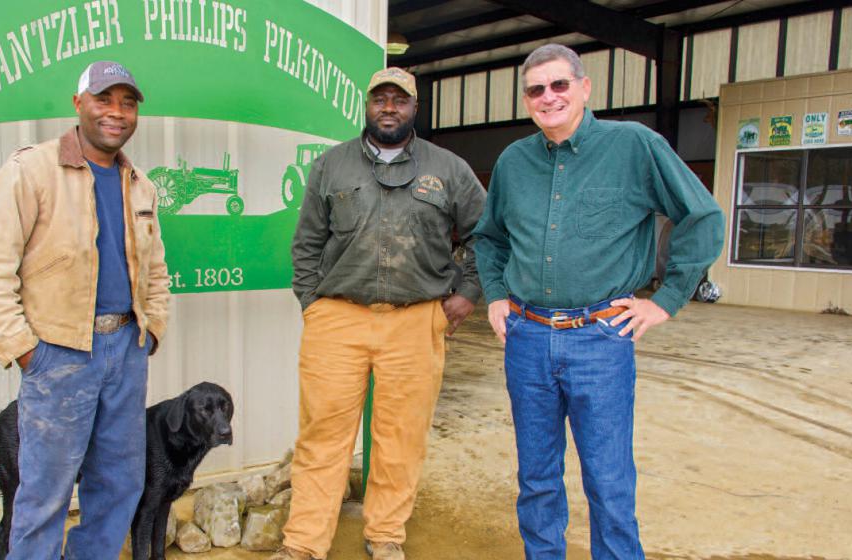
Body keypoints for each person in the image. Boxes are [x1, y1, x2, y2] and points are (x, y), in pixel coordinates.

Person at [472, 44, 724, 559]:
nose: (549, 97)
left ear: (585, 88)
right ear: (527, 100)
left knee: (608, 481)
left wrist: (667, 299)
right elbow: (490, 237)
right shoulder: (514, 162)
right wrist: (496, 296)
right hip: (527, 337)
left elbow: (703, 217)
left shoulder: (634, 146)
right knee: (537, 477)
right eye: (537, 89)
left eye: (560, 84)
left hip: (601, 338)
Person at [275, 67, 487, 560]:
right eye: (380, 99)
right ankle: (304, 544)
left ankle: (386, 535)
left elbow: (486, 235)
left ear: (415, 108)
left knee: (400, 437)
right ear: (366, 106)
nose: (389, 107)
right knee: (322, 435)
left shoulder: (449, 169)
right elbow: (308, 242)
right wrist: (314, 304)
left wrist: (467, 292)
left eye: (400, 99)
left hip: (416, 321)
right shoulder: (331, 166)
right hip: (339, 318)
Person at [0, 61, 170, 560]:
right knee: (44, 494)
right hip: (59, 355)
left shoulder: (139, 184)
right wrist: (24, 349)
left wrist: (152, 331)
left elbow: (157, 269)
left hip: (126, 350)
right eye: (104, 100)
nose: (116, 113)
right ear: (78, 104)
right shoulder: (30, 170)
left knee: (119, 483)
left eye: (127, 103)